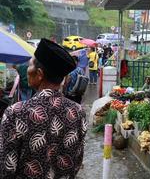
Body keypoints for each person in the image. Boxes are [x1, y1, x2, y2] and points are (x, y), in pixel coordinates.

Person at [0, 38, 87, 178]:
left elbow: (6, 169)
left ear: (39, 74)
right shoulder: (78, 112)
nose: (27, 70)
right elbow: (77, 161)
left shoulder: (15, 113)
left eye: (29, 66)